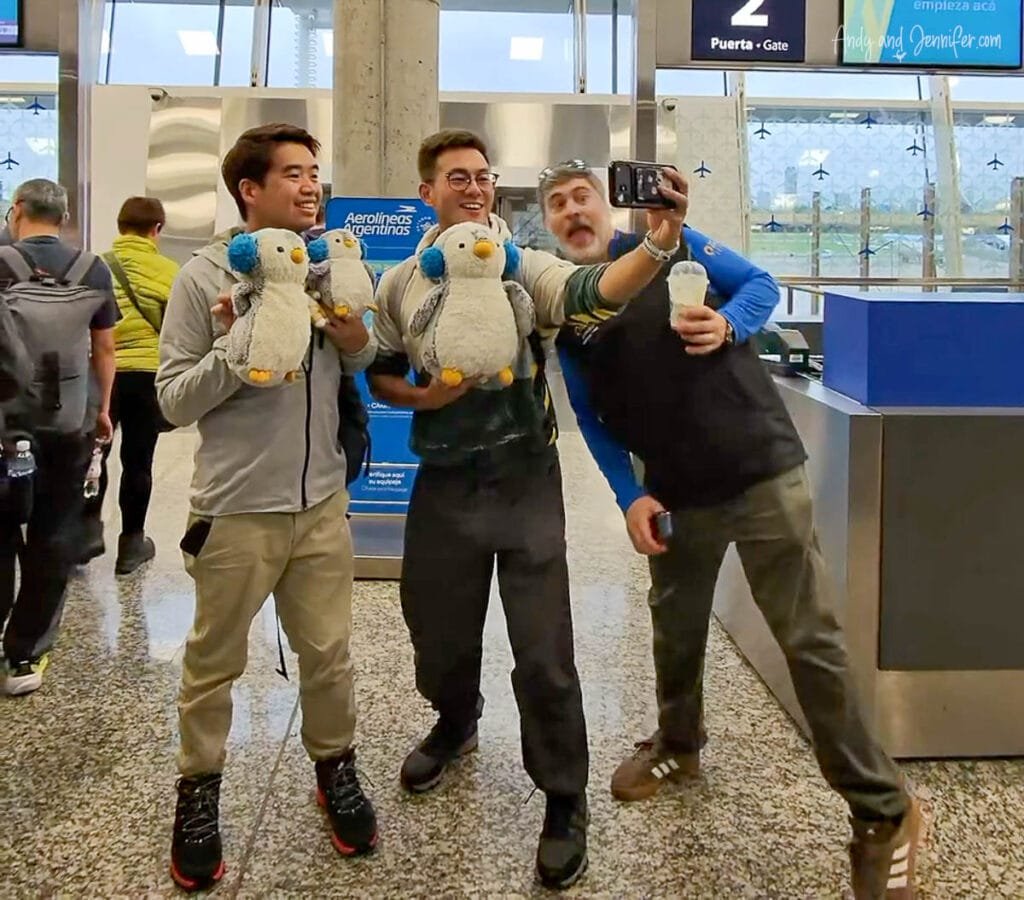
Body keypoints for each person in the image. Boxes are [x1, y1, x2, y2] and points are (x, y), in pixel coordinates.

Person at [540, 160, 923, 900]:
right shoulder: (573, 312)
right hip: (677, 494)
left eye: (581, 195)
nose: (571, 211)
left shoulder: (670, 243)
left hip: (759, 471)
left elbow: (760, 285)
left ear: (604, 202)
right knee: (674, 628)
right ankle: (680, 747)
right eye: (556, 205)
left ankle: (885, 810)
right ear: (548, 224)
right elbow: (587, 417)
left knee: (808, 641)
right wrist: (627, 496)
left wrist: (728, 324)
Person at [366, 129, 688, 891]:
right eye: (457, 178)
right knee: (435, 633)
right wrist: (424, 396)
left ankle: (564, 797)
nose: (474, 189)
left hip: (526, 479)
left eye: (483, 177)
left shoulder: (522, 265)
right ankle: (456, 717)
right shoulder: (401, 282)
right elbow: (379, 373)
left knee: (544, 651)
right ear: (428, 194)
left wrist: (658, 245)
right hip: (443, 481)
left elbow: (589, 291)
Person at [156, 124, 378, 892]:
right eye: (293, 173)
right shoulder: (201, 277)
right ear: (250, 190)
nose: (312, 185)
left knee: (329, 658)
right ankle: (199, 792)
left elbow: (360, 356)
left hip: (321, 504)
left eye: (315, 171)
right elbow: (173, 401)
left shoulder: (325, 264)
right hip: (237, 510)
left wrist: (352, 332)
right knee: (213, 666)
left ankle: (335, 769)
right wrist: (233, 346)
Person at [0, 178, 117, 696]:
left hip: (5, 426)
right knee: (53, 535)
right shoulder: (91, 268)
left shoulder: (1, 263)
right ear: (64, 219)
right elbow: (104, 350)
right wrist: (103, 411)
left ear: (17, 210)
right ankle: (25, 655)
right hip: (68, 421)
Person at [79, 196, 179, 574]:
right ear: (157, 229)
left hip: (100, 372)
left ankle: (86, 532)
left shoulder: (94, 267)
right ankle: (131, 545)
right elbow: (176, 330)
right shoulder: (169, 270)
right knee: (138, 459)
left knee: (94, 454)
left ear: (120, 226)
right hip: (146, 375)